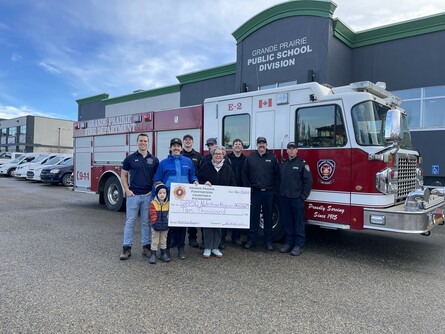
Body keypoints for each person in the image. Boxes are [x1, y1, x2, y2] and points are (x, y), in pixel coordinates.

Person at [153, 138, 198, 259]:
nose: (176, 148)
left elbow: (192, 175)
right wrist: (155, 199)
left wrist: (195, 181)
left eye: (178, 146)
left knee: (182, 225)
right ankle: (166, 249)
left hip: (184, 199)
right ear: (170, 148)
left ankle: (181, 249)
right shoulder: (163, 163)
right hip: (168, 199)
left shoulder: (188, 161)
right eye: (174, 146)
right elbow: (157, 180)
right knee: (168, 226)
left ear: (181, 148)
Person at [120, 133, 159, 260]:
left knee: (146, 222)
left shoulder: (154, 160)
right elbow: (124, 175)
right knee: (130, 222)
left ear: (149, 143)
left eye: (145, 141)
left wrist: (152, 191)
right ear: (137, 142)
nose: (143, 143)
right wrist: (126, 190)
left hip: (147, 196)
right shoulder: (129, 159)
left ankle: (146, 247)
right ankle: (126, 249)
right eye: (141, 141)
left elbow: (157, 178)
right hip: (133, 196)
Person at [197, 145, 236, 258]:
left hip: (221, 203)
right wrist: (204, 183)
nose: (218, 156)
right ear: (212, 155)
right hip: (208, 202)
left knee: (218, 225)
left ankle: (215, 247)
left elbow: (232, 184)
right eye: (216, 154)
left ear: (223, 155)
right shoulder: (205, 166)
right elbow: (198, 180)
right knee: (208, 224)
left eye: (220, 154)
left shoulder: (228, 168)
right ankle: (207, 247)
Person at [242, 136, 279, 251]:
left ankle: (268, 241)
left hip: (269, 193)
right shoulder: (250, 158)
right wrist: (248, 188)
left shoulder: (272, 158)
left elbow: (277, 175)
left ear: (266, 145)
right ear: (257, 145)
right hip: (255, 192)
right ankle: (251, 240)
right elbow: (244, 174)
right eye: (259, 143)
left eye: (263, 143)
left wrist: (275, 190)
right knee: (253, 217)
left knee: (268, 217)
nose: (261, 145)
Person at [278, 142, 312, 256]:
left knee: (298, 223)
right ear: (286, 151)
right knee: (287, 223)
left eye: (293, 149)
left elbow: (308, 182)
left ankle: (298, 245)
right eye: (289, 149)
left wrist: (303, 197)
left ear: (297, 151)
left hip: (297, 199)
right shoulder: (283, 165)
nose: (291, 151)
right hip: (284, 199)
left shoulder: (302, 164)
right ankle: (288, 243)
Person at [221, 138, 246, 246]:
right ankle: (222, 238)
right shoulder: (226, 158)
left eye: (239, 144)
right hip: (228, 189)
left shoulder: (246, 159)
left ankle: (236, 237)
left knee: (238, 215)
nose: (237, 145)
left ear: (242, 147)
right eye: (235, 144)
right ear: (232, 147)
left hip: (240, 190)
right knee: (225, 213)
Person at [181, 134, 203, 248]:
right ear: (183, 142)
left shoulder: (198, 156)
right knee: (178, 214)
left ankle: (192, 238)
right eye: (186, 140)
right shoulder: (179, 154)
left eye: (190, 140)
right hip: (180, 190)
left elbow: (200, 171)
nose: (188, 142)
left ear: (193, 142)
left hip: (194, 189)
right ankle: (176, 238)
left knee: (192, 214)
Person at [149, 182, 170, 264]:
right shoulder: (153, 203)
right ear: (157, 193)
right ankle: (153, 254)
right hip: (156, 227)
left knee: (163, 241)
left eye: (164, 193)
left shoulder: (168, 204)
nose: (162, 195)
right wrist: (154, 223)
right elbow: (152, 215)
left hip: (165, 226)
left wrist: (168, 223)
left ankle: (163, 254)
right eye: (160, 193)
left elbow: (169, 215)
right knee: (155, 240)